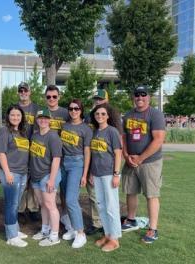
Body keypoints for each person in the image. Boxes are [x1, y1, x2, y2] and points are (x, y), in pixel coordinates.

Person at [121, 85, 166, 244]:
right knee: (130, 191)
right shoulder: (128, 115)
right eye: (137, 95)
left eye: (143, 95)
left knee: (151, 194)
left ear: (149, 96)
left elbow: (159, 139)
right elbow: (124, 137)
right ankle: (131, 219)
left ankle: (153, 229)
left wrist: (140, 158)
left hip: (150, 162)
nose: (140, 98)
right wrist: (126, 155)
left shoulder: (155, 114)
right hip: (130, 161)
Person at [84, 88, 123, 236]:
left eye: (101, 99)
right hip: (96, 169)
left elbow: (117, 151)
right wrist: (91, 172)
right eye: (97, 99)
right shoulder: (93, 126)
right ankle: (104, 230)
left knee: (111, 205)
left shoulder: (112, 126)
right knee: (99, 202)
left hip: (109, 170)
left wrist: (116, 173)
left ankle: (114, 236)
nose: (98, 102)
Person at [60, 99, 93, 248]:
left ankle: (81, 233)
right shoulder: (64, 126)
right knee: (66, 198)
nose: (73, 111)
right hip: (63, 163)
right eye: (71, 108)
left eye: (77, 109)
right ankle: (73, 229)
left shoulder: (86, 129)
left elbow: (87, 151)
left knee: (71, 199)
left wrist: (85, 174)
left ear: (81, 110)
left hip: (77, 163)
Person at [0, 105, 30, 247]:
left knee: (16, 203)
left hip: (23, 173)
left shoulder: (23, 132)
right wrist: (7, 172)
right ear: (8, 116)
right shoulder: (5, 131)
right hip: (11, 173)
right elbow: (1, 153)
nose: (15, 117)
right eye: (12, 115)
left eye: (18, 115)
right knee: (11, 204)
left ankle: (15, 228)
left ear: (22, 117)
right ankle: (11, 236)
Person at [30, 108, 62, 247]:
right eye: (40, 118)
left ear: (50, 120)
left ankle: (54, 235)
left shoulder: (53, 136)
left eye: (45, 118)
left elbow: (56, 159)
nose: (43, 120)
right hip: (36, 176)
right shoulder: (35, 135)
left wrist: (52, 179)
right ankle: (45, 230)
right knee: (43, 204)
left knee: (50, 205)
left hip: (48, 175)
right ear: (37, 120)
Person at [44, 84, 73, 234]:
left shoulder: (65, 113)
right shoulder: (42, 112)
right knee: (49, 191)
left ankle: (66, 218)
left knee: (66, 191)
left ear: (59, 97)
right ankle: (50, 222)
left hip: (65, 157)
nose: (51, 99)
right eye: (48, 96)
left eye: (54, 96)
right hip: (47, 160)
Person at [16, 82, 40, 221]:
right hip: (19, 149)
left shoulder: (36, 108)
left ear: (30, 92)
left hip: (34, 148)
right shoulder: (15, 107)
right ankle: (19, 209)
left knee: (33, 180)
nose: (23, 93)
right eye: (21, 91)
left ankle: (33, 208)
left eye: (25, 90)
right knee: (21, 180)